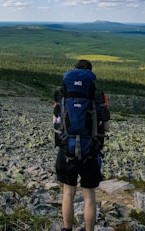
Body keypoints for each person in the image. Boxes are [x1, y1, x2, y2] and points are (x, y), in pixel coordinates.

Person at [53, 59, 110, 231]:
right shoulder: (98, 95)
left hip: (67, 148)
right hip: (90, 150)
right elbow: (106, 127)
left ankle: (67, 228)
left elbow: (56, 123)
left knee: (68, 193)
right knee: (89, 196)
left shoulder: (64, 94)